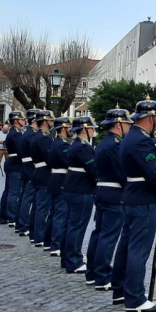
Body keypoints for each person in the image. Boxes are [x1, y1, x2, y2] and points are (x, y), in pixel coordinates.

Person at [111, 96, 156, 312]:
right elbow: (153, 172)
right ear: (151, 118)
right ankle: (135, 297)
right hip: (144, 198)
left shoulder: (129, 138)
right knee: (139, 248)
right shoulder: (142, 140)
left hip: (132, 196)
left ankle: (120, 289)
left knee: (126, 245)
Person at [86, 106, 132, 291]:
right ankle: (103, 275)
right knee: (108, 236)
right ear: (119, 124)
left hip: (102, 192)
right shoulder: (115, 145)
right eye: (127, 123)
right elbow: (121, 173)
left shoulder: (105, 142)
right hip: (113, 194)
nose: (129, 127)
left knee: (99, 233)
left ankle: (93, 272)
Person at [63, 116, 98, 274]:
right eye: (91, 128)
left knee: (70, 225)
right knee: (77, 226)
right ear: (84, 129)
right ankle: (74, 260)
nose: (93, 130)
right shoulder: (84, 147)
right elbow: (93, 170)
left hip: (72, 187)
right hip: (82, 189)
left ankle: (67, 257)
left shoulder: (74, 144)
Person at [47, 117, 72, 260]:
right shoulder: (62, 145)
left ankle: (50, 242)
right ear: (63, 128)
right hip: (61, 179)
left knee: (54, 212)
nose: (71, 130)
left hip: (54, 178)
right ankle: (56, 244)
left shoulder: (55, 143)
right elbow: (69, 161)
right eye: (68, 128)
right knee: (60, 214)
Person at [29, 110, 55, 249]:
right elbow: (49, 157)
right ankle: (39, 236)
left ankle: (35, 234)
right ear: (45, 122)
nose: (53, 122)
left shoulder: (37, 136)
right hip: (44, 173)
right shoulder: (44, 138)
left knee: (38, 206)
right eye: (51, 120)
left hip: (38, 171)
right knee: (42, 207)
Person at [16, 109, 41, 238]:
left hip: (26, 166)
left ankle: (20, 223)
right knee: (28, 197)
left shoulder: (26, 133)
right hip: (31, 166)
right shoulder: (32, 135)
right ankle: (24, 224)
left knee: (24, 196)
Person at [3, 111, 26, 227]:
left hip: (11, 163)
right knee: (14, 192)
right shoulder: (16, 134)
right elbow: (20, 150)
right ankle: (11, 217)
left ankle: (4, 216)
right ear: (16, 120)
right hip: (16, 164)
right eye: (22, 119)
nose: (24, 121)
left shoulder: (13, 132)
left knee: (8, 192)